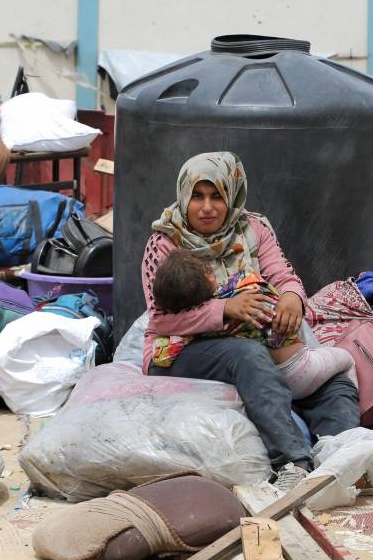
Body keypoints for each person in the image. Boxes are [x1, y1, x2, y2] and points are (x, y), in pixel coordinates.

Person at [141, 151, 361, 490]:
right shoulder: (165, 242)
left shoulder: (253, 229)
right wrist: (225, 310)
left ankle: (344, 461)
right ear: (184, 197)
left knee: (331, 382)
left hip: (254, 338)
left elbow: (283, 276)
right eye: (197, 196)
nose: (207, 207)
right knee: (247, 356)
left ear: (232, 196)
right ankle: (293, 463)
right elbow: (161, 319)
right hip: (182, 350)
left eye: (217, 196)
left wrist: (292, 298)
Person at [150, 248, 354, 399]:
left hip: (265, 381)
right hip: (299, 369)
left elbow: (161, 356)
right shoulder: (245, 290)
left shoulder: (196, 329)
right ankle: (357, 418)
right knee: (347, 358)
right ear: (209, 274)